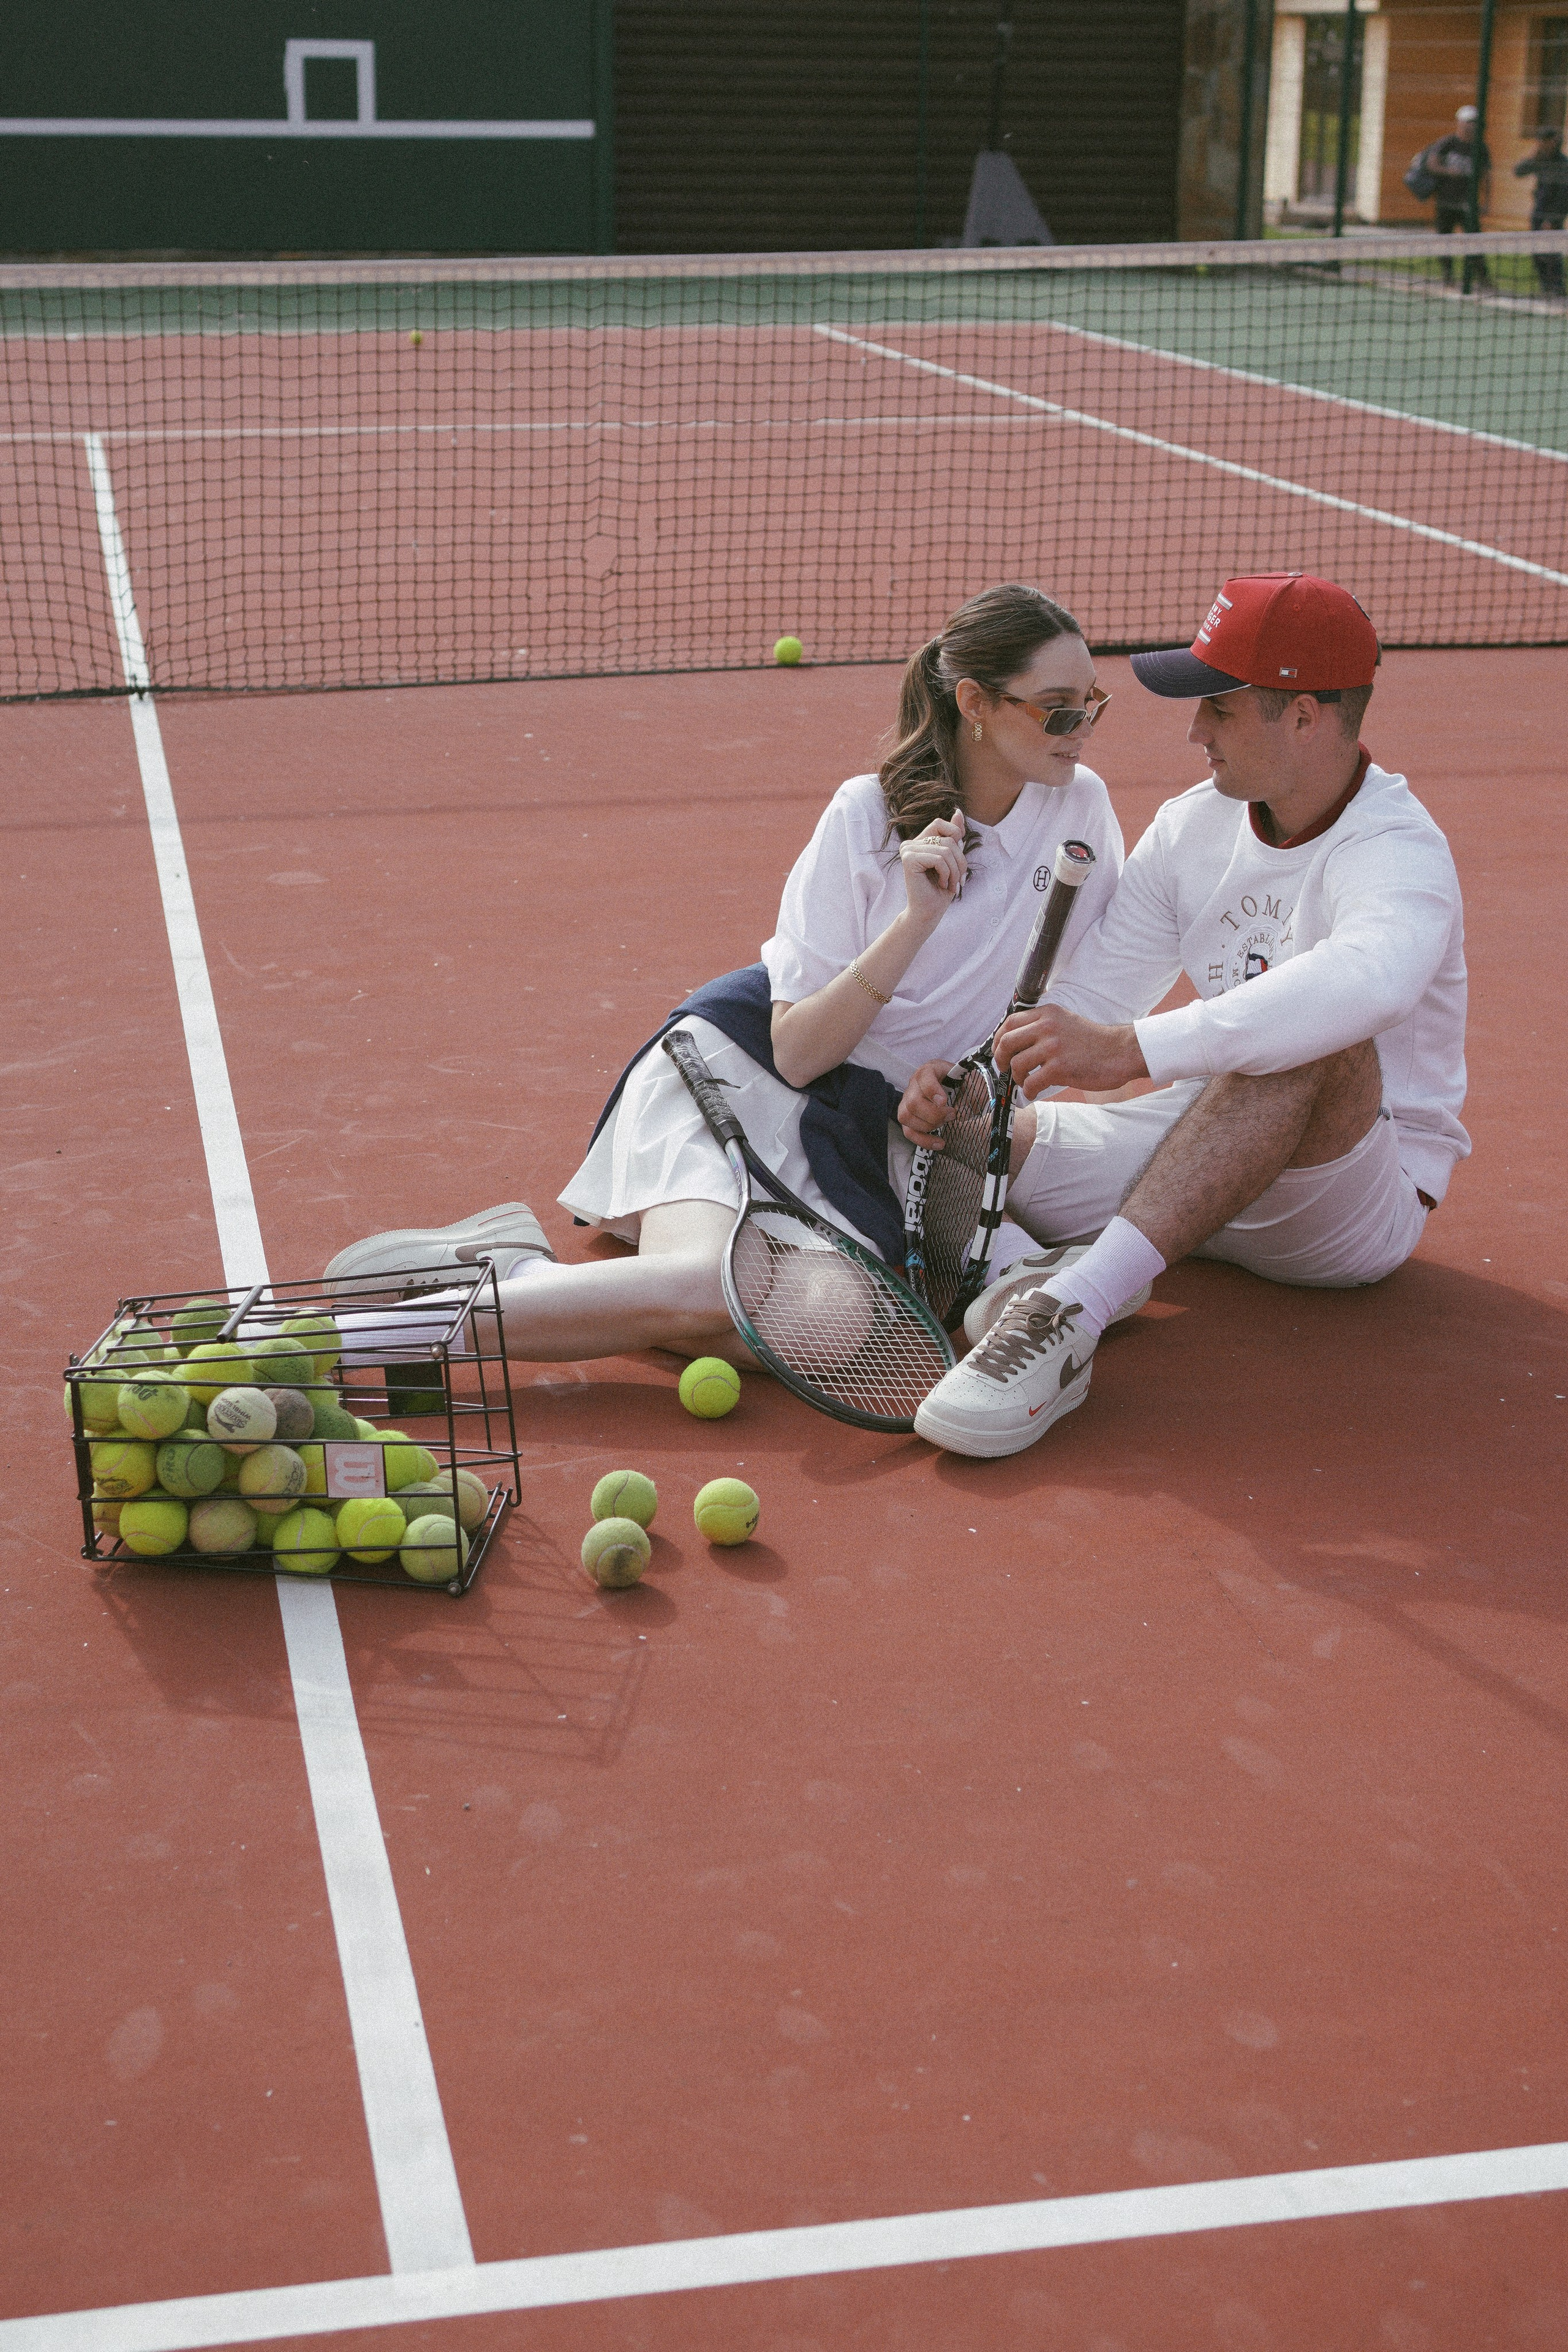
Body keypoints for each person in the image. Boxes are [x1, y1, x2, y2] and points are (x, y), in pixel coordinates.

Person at [319, 584, 1125, 1369]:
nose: (1080, 727)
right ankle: (337, 1347)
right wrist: (917, 920)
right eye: (1057, 707)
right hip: (744, 1074)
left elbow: (1066, 998)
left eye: (1091, 703)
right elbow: (800, 1051)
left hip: (868, 1128)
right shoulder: (864, 816)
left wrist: (966, 1087)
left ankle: (524, 1277)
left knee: (834, 1329)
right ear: (977, 703)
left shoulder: (1079, 809)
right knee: (711, 1291)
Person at [903, 573, 1469, 1460]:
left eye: (1221, 708)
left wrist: (1134, 1050)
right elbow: (1089, 1002)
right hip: (1205, 1150)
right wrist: (975, 1079)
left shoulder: (1398, 852)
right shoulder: (1192, 826)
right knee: (951, 1141)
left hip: (1346, 1193)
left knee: (1313, 1038)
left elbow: (1371, 985)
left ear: (1307, 717)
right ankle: (1064, 1265)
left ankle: (1066, 1315)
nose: (1194, 730)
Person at [1425, 104, 1491, 288]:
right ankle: (1448, 276)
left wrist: (1486, 202)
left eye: (1474, 123)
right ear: (1459, 123)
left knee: (1474, 239)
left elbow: (1486, 177)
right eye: (1468, 122)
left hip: (1468, 203)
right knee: (1445, 239)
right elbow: (1432, 164)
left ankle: (1483, 278)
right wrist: (1449, 171)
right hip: (1446, 201)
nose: (1471, 126)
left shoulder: (1481, 148)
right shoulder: (1447, 143)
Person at [1514, 125, 1567, 297]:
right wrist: (1533, 156)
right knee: (1537, 250)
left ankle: (1557, 288)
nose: (1542, 144)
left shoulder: (1563, 164)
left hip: (1555, 213)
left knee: (1552, 251)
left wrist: (1552, 220)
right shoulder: (1540, 159)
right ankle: (1547, 287)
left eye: (1546, 141)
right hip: (1539, 210)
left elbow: (1564, 196)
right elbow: (1519, 171)